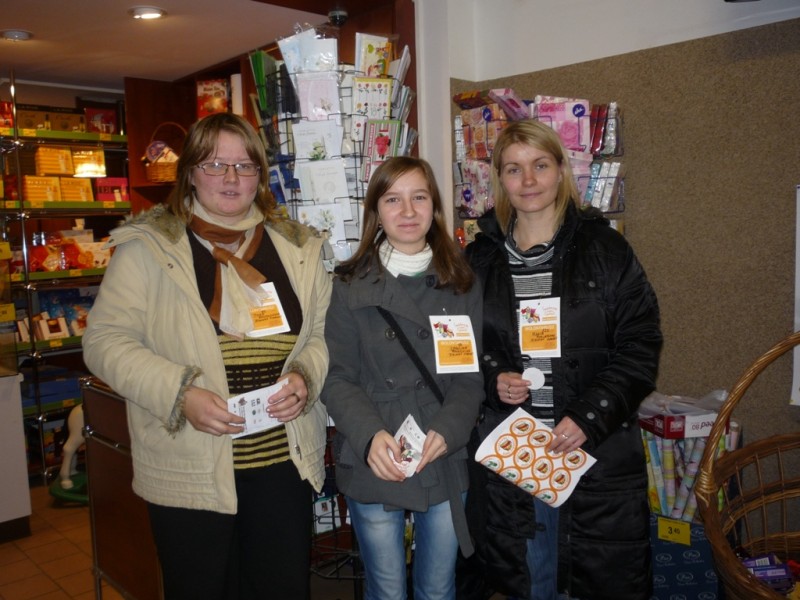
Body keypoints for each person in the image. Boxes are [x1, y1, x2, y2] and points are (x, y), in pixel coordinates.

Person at [82, 113, 332, 599]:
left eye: (245, 165)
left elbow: (323, 334)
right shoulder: (148, 248)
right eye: (216, 164)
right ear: (191, 172)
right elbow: (104, 341)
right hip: (190, 468)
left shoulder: (297, 248)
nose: (231, 178)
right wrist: (180, 393)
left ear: (260, 174)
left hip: (283, 465)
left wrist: (306, 376)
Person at [460, 119, 662, 600]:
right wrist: (493, 377)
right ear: (499, 179)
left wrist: (589, 416)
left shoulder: (606, 250)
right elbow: (460, 346)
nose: (528, 180)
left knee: (595, 581)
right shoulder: (478, 259)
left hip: (593, 453)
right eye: (514, 169)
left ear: (561, 170)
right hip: (516, 455)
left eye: (540, 165)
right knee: (530, 581)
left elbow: (640, 345)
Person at [322, 156, 484, 600]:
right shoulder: (349, 284)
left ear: (434, 207)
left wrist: (448, 430)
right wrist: (369, 436)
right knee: (387, 590)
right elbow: (337, 377)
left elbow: (469, 377)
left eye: (419, 197)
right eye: (393, 199)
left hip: (441, 448)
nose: (408, 211)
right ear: (376, 211)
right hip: (375, 449)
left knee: (438, 589)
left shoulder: (462, 282)